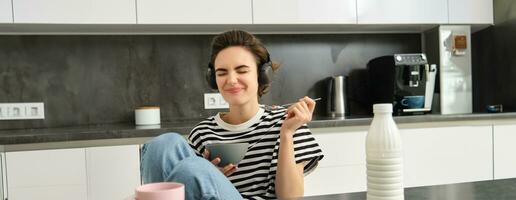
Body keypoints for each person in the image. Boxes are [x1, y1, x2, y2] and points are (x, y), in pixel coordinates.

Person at [140, 30, 324, 200]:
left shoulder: (288, 122)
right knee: (163, 144)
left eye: (242, 70)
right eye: (222, 73)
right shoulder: (202, 132)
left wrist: (287, 134)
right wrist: (209, 177)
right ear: (213, 79)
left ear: (262, 75)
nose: (231, 80)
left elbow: (290, 198)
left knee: (192, 167)